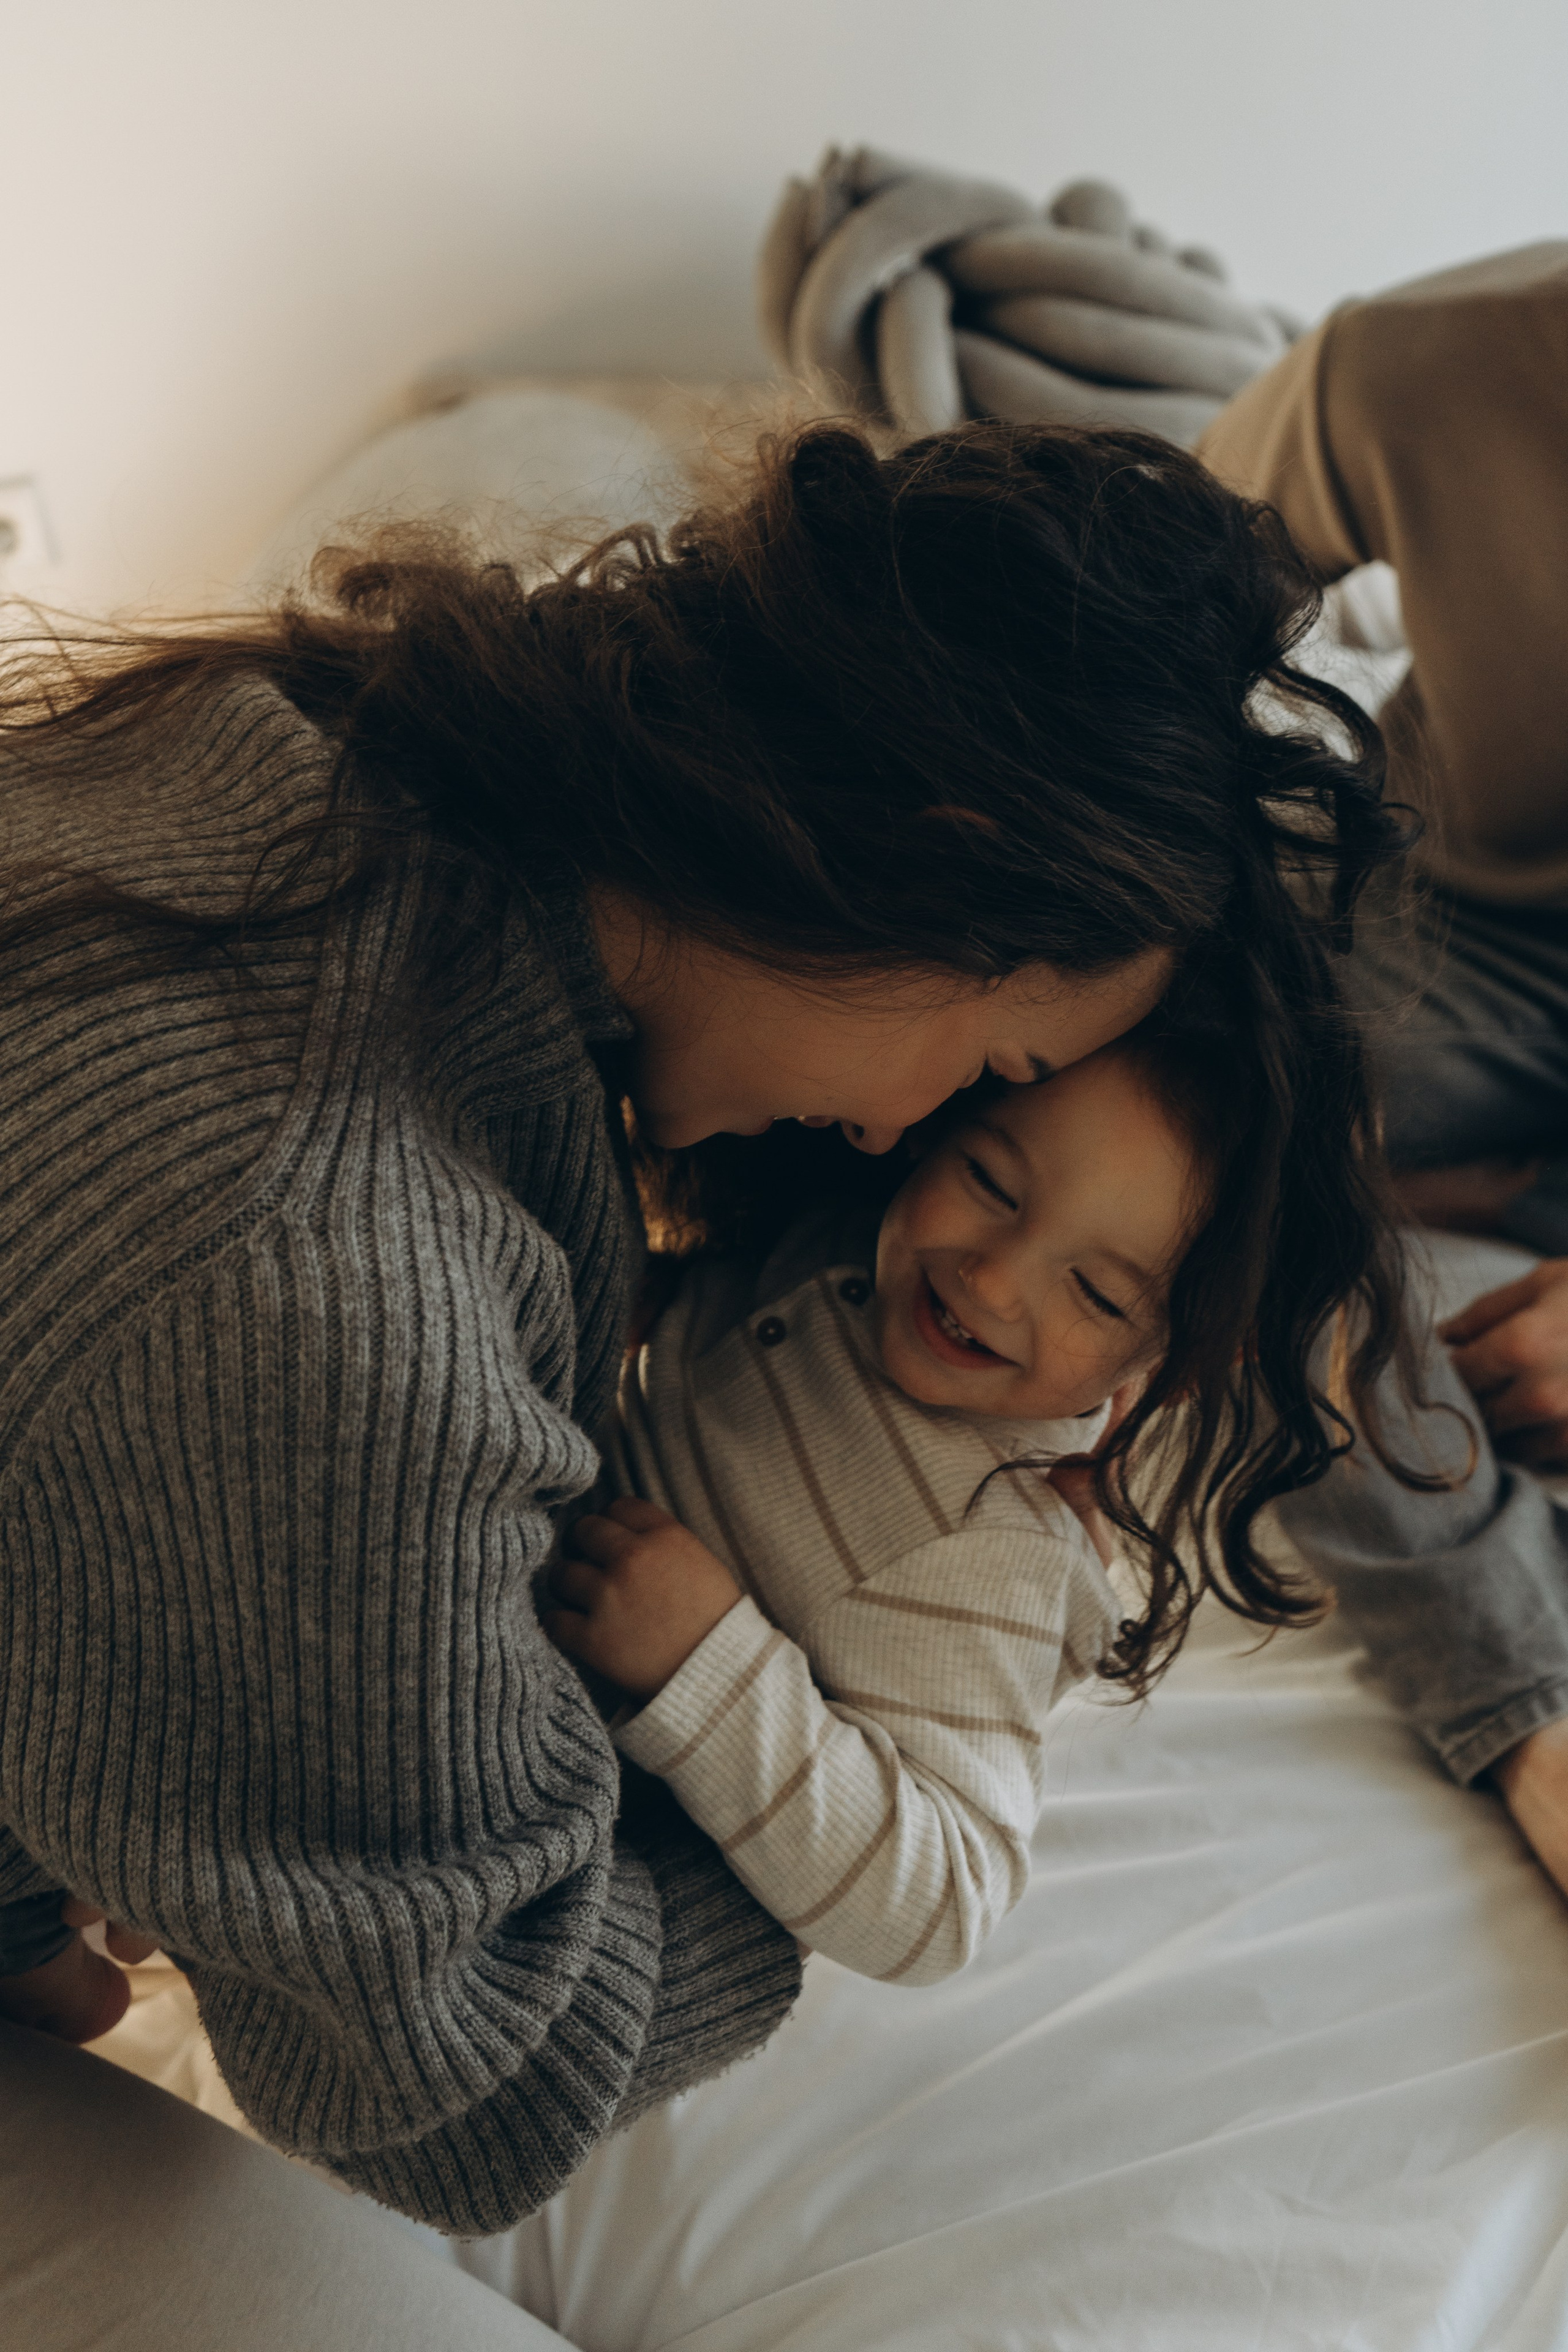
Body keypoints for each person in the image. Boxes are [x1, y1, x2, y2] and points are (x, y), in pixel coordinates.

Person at [0, 417, 1399, 2230]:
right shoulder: (325, 1275)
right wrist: (765, 1755)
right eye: (993, 1079)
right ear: (933, 853)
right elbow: (460, 2095)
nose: (898, 1142)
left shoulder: (269, 739)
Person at [547, 1000, 1417, 1984]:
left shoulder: (986, 1551)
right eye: (990, 1180)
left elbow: (942, 1906)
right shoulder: (853, 1242)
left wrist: (706, 1667)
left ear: (1174, 1364)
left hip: (578, 1786)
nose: (992, 1279)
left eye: (1096, 1293)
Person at [1196, 244, 1568, 1875]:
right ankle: (1534, 1716)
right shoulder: (1429, 369)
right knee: (1187, 1134)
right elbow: (1116, 651)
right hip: (1481, 934)